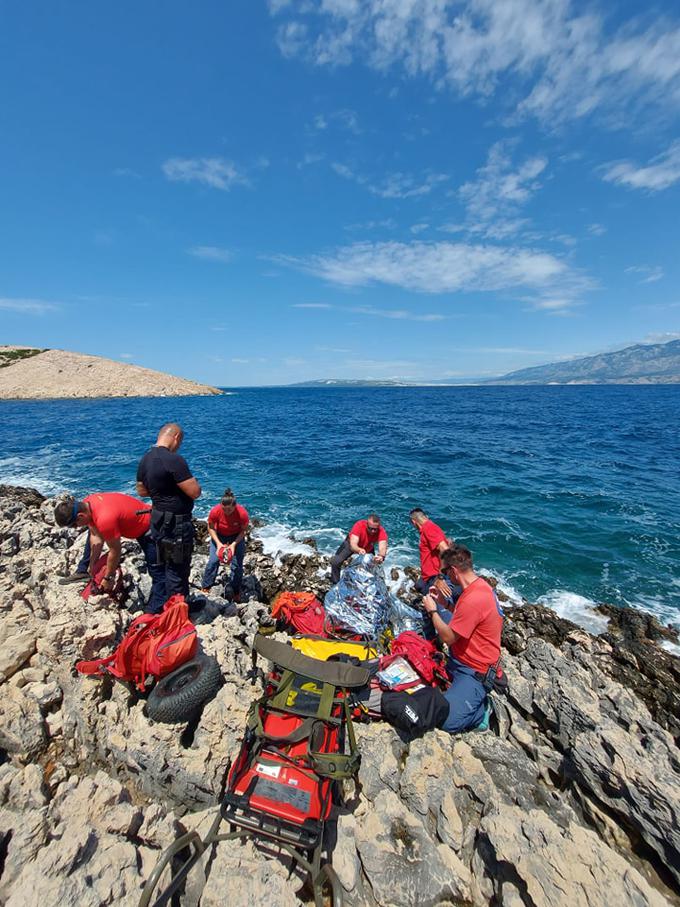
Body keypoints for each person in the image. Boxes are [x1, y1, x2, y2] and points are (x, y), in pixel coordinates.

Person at [421, 544, 503, 734]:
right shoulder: (477, 587)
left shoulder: (474, 599)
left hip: (474, 671)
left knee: (446, 722)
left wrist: (432, 610)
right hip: (460, 661)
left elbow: (448, 637)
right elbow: (464, 618)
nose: (444, 576)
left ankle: (482, 710)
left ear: (454, 571)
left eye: (445, 572)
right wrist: (444, 604)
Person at [54, 493, 166, 612]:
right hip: (138, 522)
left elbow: (115, 550)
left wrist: (108, 578)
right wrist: (92, 565)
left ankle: (157, 611)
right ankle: (82, 571)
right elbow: (95, 536)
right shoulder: (88, 502)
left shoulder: (105, 519)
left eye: (74, 525)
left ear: (80, 516)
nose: (76, 528)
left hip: (149, 527)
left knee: (158, 571)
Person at [136, 422, 201, 602]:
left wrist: (162, 491)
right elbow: (195, 492)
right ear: (176, 437)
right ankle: (178, 613)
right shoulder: (175, 460)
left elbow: (141, 490)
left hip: (157, 520)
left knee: (166, 564)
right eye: (180, 442)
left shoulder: (145, 459)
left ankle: (168, 604)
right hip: (177, 524)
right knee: (178, 569)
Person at [200, 488, 249, 600]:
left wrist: (233, 545)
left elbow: (243, 531)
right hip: (219, 535)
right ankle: (206, 585)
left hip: (236, 536)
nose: (226, 512)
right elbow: (211, 528)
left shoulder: (242, 513)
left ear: (234, 506)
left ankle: (236, 590)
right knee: (213, 560)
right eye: (224, 509)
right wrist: (218, 544)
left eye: (229, 510)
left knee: (237, 565)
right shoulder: (215, 511)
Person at [329, 513, 388, 584]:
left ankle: (367, 585)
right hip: (351, 545)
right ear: (367, 524)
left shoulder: (381, 531)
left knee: (373, 566)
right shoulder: (359, 525)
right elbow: (353, 544)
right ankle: (335, 583)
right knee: (335, 562)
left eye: (375, 529)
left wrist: (381, 556)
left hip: (368, 547)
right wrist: (359, 549)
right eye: (370, 528)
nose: (373, 531)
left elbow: (382, 547)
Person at [409, 508, 451, 594]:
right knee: (418, 587)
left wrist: (440, 577)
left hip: (434, 576)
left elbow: (445, 549)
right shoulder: (429, 527)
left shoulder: (428, 528)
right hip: (428, 576)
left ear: (414, 522)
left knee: (435, 604)